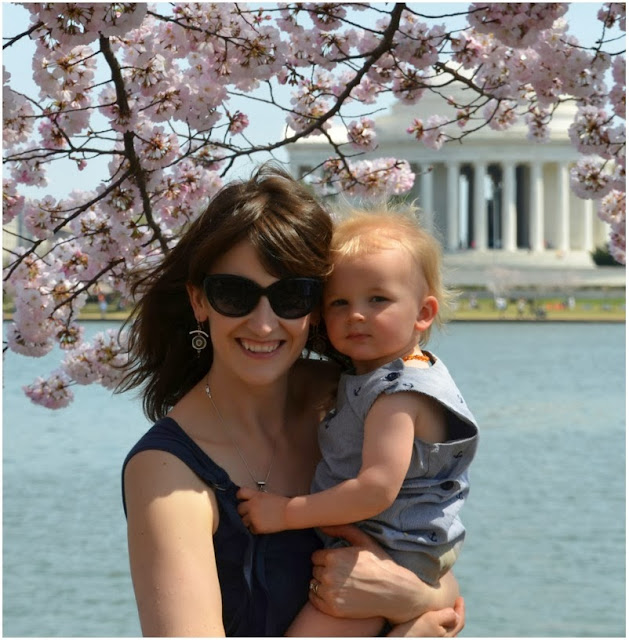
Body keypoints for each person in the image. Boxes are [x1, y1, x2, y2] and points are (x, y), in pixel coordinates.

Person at [119, 165, 465, 637]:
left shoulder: (350, 401)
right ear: (199, 302)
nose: (264, 324)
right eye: (235, 294)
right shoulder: (166, 474)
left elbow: (439, 567)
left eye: (291, 296)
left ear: (316, 306)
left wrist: (412, 599)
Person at [238, 206, 478, 636]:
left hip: (393, 551)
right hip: (399, 546)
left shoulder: (398, 395)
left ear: (423, 313)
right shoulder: (383, 375)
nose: (356, 315)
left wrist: (285, 513)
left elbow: (374, 490)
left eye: (377, 299)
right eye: (339, 303)